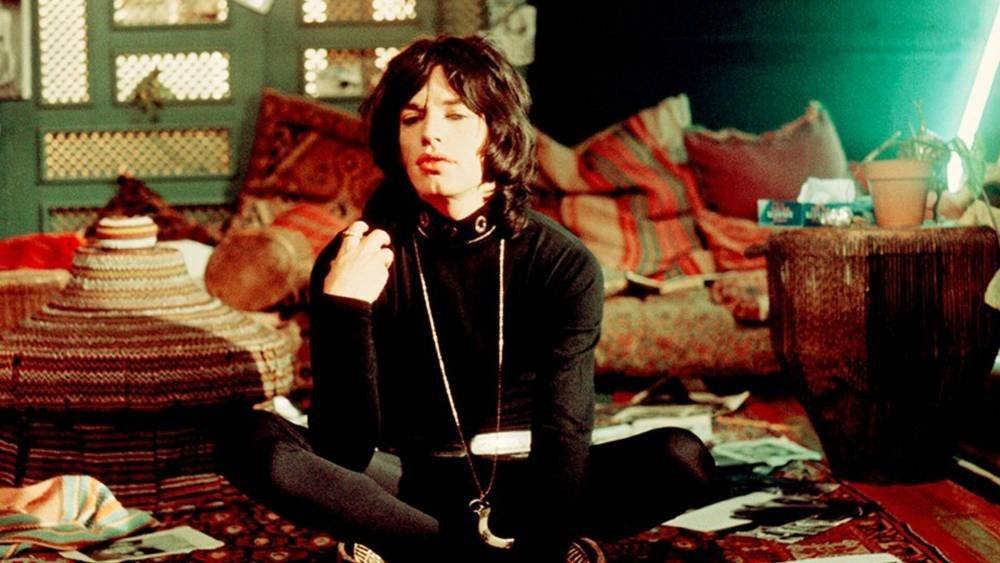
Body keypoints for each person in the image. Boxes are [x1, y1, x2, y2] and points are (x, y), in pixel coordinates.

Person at [219, 35, 715, 563]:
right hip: (404, 483)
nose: (430, 133)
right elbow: (344, 449)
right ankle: (454, 550)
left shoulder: (560, 262)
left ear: (497, 130)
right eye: (412, 118)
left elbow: (564, 433)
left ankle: (426, 549)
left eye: (455, 115)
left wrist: (543, 538)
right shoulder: (356, 258)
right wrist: (347, 308)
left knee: (680, 458)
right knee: (249, 440)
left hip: (530, 479)